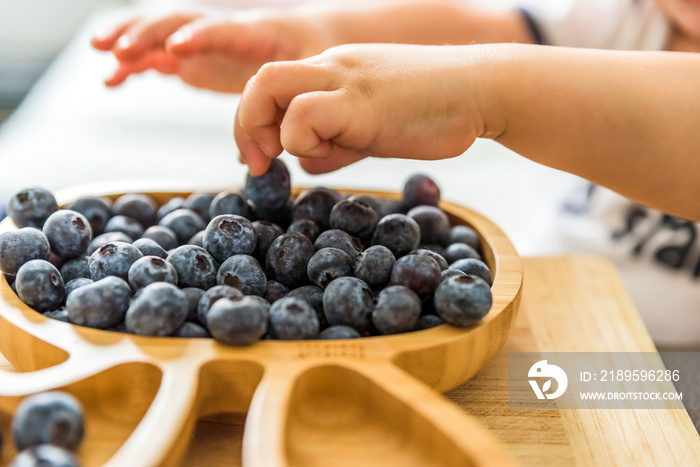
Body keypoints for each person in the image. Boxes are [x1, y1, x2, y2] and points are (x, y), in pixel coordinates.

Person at [93, 0, 700, 347]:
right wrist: (322, 38)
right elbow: (493, 36)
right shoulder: (640, 20)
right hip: (554, 319)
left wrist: (483, 93)